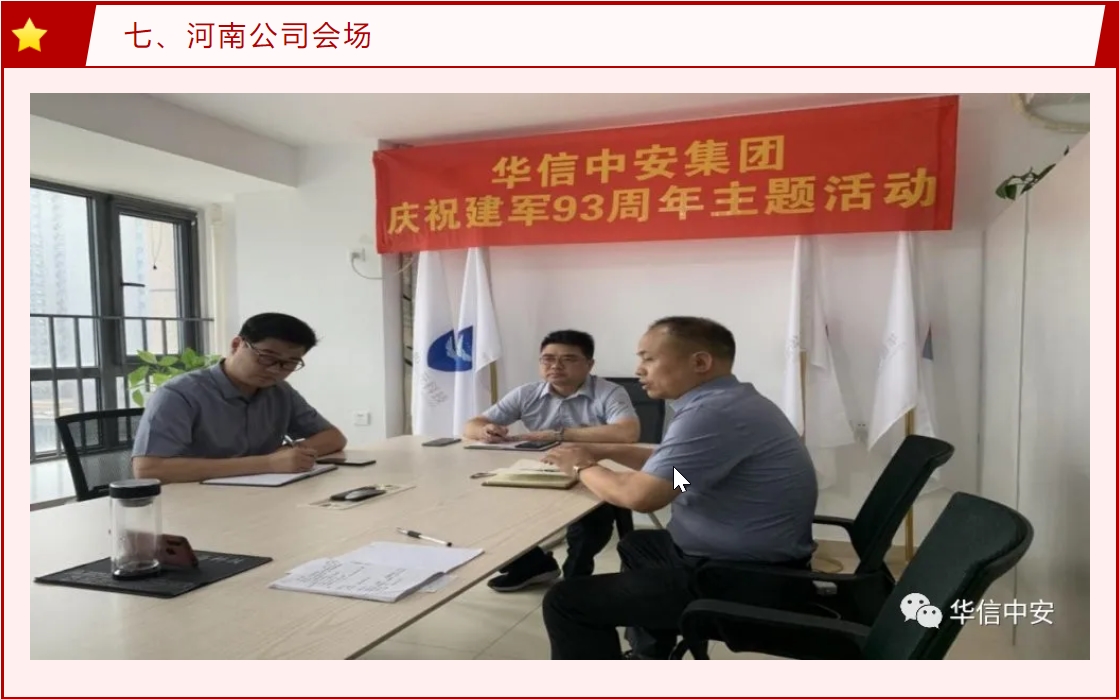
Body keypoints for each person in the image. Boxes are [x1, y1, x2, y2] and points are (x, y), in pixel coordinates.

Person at [538, 316, 819, 659]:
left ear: (700, 362)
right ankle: (649, 655)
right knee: (638, 546)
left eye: (649, 358)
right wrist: (605, 451)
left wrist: (581, 466)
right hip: (750, 561)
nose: (639, 370)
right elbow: (677, 473)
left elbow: (640, 497)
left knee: (566, 602)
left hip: (741, 579)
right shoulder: (729, 401)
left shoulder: (711, 413)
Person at [463, 329, 641, 592]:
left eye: (568, 359)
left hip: (589, 471)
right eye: (548, 359)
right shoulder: (526, 393)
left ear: (589, 364)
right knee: (485, 505)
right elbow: (472, 425)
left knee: (592, 519)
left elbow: (627, 433)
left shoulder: (609, 392)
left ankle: (575, 577)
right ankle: (534, 565)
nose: (555, 366)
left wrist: (559, 435)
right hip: (538, 471)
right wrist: (485, 430)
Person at [131, 312, 347, 483]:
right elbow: (149, 469)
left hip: (262, 497)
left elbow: (334, 438)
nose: (275, 370)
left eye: (289, 363)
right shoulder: (179, 394)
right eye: (266, 357)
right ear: (236, 345)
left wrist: (289, 453)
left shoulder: (279, 391)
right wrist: (268, 464)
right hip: (196, 502)